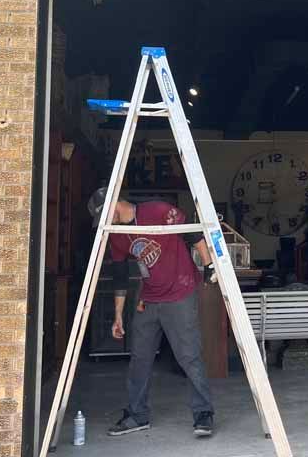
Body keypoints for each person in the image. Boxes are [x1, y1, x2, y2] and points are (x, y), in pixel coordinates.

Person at [87, 187, 216, 439]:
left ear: (115, 203)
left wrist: (209, 264)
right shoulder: (117, 234)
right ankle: (138, 415)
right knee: (140, 357)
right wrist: (118, 315)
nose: (105, 222)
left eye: (105, 215)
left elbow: (191, 231)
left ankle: (203, 413)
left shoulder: (156, 210)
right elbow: (120, 276)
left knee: (189, 356)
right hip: (148, 298)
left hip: (179, 292)